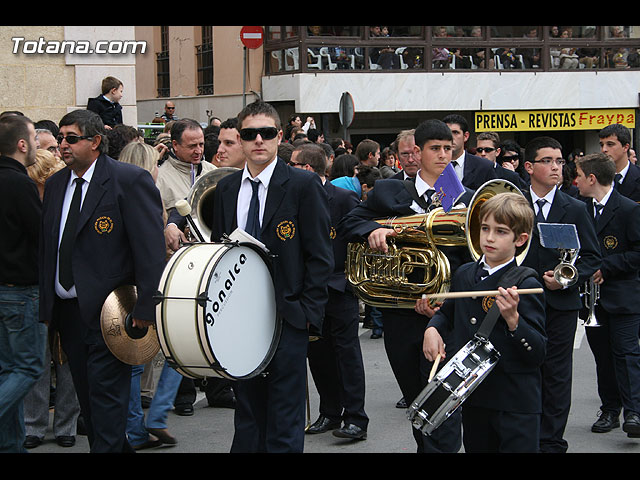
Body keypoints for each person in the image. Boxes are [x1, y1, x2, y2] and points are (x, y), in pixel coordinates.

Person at [337, 119, 475, 453]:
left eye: (448, 149)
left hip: (446, 315)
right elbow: (349, 222)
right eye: (435, 149)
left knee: (444, 403)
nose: (444, 155)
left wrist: (445, 300)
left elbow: (475, 260)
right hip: (400, 314)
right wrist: (374, 229)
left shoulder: (462, 197)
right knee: (417, 403)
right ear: (417, 152)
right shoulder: (389, 191)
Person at [38, 109, 166, 453]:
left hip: (112, 312)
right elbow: (50, 247)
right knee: (91, 407)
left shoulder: (127, 180)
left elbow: (149, 250)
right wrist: (47, 307)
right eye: (61, 138)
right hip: (68, 313)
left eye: (71, 138)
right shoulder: (56, 184)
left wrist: (146, 306)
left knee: (108, 405)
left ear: (95, 142)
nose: (62, 145)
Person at [209, 100, 333, 453]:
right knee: (247, 412)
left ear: (280, 136)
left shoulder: (303, 185)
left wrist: (307, 314)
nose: (258, 140)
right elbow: (221, 252)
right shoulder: (226, 190)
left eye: (265, 133)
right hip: (239, 319)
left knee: (284, 417)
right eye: (250, 134)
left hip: (287, 317)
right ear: (241, 139)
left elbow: (320, 257)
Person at [423, 192, 546, 453]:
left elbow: (537, 352)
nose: (489, 238)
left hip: (515, 403)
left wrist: (514, 320)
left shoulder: (526, 284)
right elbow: (448, 312)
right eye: (485, 228)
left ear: (520, 240)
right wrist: (433, 328)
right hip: (474, 397)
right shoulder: (465, 273)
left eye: (501, 232)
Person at [520, 136, 601, 453]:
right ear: (529, 167)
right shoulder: (512, 203)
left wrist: (566, 279)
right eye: (547, 161)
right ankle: (524, 434)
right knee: (524, 371)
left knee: (556, 374)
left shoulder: (575, 207)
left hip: (560, 304)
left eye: (559, 161)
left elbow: (592, 257)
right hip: (521, 301)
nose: (556, 167)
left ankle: (551, 441)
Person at [290, 143, 369, 440]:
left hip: (338, 288)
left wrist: (348, 279)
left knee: (346, 354)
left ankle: (356, 418)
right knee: (317, 354)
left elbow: (358, 238)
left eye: (294, 164)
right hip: (309, 291)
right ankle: (330, 412)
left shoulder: (344, 198)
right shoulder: (293, 196)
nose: (289, 169)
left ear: (307, 169)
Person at [118, 141, 183, 449]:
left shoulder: (114, 190)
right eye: (156, 165)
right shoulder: (146, 192)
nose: (159, 170)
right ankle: (154, 417)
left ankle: (135, 427)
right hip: (148, 287)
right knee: (178, 348)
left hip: (120, 290)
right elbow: (148, 248)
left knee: (131, 361)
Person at [574, 152, 640, 438]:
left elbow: (637, 252)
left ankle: (634, 411)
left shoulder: (628, 209)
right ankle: (610, 409)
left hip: (623, 297)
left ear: (591, 178)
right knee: (603, 357)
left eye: (577, 175)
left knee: (627, 354)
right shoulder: (579, 209)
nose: (573, 181)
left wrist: (606, 267)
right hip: (593, 300)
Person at [23, 149, 80, 449]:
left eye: (37, 185)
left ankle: (66, 424)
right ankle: (34, 423)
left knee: (68, 358)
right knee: (39, 358)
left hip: (68, 290)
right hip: (35, 288)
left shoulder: (68, 199)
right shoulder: (29, 205)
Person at [0, 114, 47, 453]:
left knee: (9, 372)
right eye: (33, 138)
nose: (35, 145)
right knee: (28, 368)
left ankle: (12, 445)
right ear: (21, 144)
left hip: (7, 291)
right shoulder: (19, 184)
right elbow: (41, 237)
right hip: (20, 292)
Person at [160, 118, 217, 253]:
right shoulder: (160, 179)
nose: (198, 151)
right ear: (175, 145)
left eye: (201, 145)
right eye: (192, 146)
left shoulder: (214, 173)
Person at [443, 114, 497, 190]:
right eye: (447, 132)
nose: (451, 137)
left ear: (466, 136)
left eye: (455, 132)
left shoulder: (484, 166)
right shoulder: (433, 165)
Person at [599, 123, 640, 202]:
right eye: (602, 145)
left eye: (610, 144)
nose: (604, 149)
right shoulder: (596, 179)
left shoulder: (637, 176)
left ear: (625, 147)